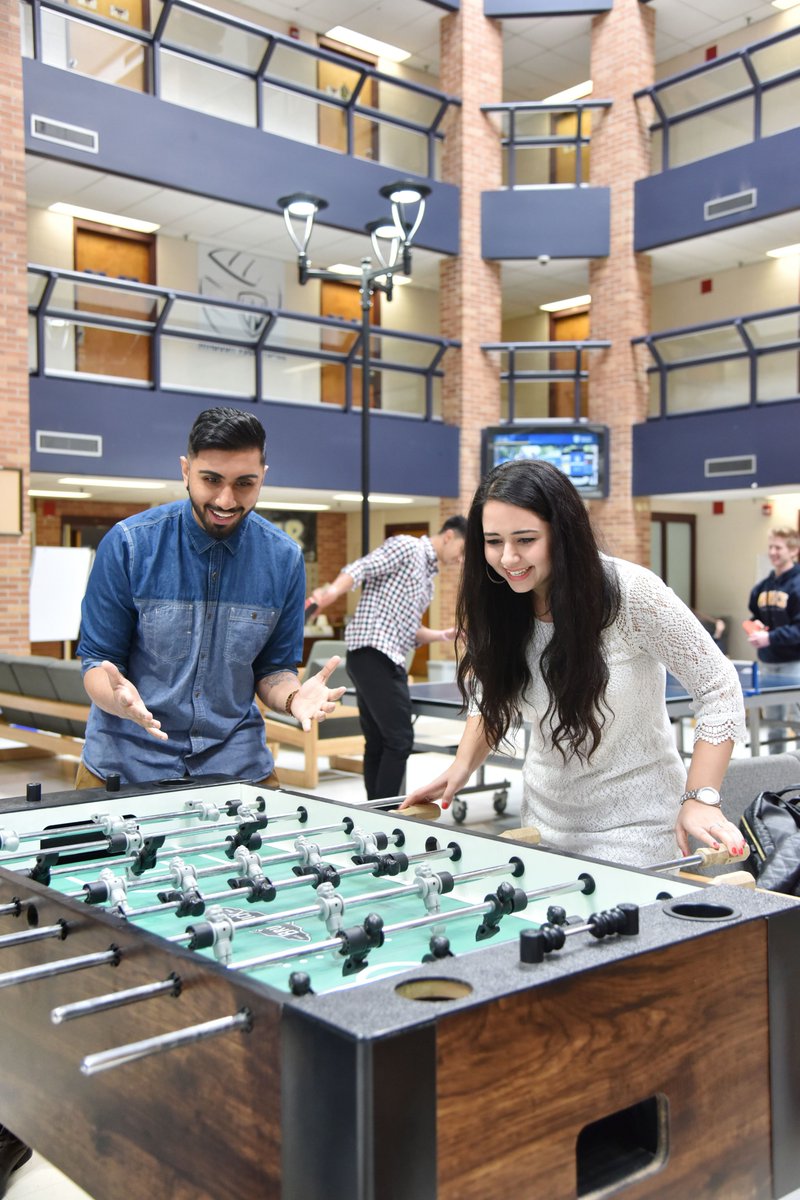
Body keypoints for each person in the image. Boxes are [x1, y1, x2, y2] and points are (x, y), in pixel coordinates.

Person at [401, 459, 748, 868]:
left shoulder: (632, 594)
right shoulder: (499, 600)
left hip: (637, 829)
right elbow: (490, 690)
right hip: (542, 823)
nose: (508, 557)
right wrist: (463, 763)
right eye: (493, 541)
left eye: (525, 539)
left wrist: (701, 798)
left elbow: (719, 688)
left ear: (562, 532)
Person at [75, 406, 344, 789]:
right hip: (126, 761)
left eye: (244, 483)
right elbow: (98, 664)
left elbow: (273, 670)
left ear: (263, 478)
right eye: (211, 479)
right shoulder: (129, 545)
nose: (225, 499)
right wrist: (118, 702)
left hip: (237, 765)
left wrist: (293, 698)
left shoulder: (284, 559)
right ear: (186, 471)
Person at [310, 517, 467, 800]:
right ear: (449, 536)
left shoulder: (428, 580)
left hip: (385, 656)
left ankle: (374, 809)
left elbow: (412, 631)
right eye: (463, 550)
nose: (461, 560)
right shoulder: (408, 547)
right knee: (400, 739)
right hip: (372, 653)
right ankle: (385, 813)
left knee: (380, 741)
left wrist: (444, 635)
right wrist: (332, 591)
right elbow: (362, 567)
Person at [746, 527, 800, 754]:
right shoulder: (763, 587)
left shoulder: (797, 584)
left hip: (794, 663)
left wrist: (770, 637)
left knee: (797, 721)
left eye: (778, 547)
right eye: (770, 547)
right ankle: (775, 769)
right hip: (768, 663)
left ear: (794, 550)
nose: (773, 552)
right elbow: (755, 616)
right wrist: (755, 627)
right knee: (773, 724)